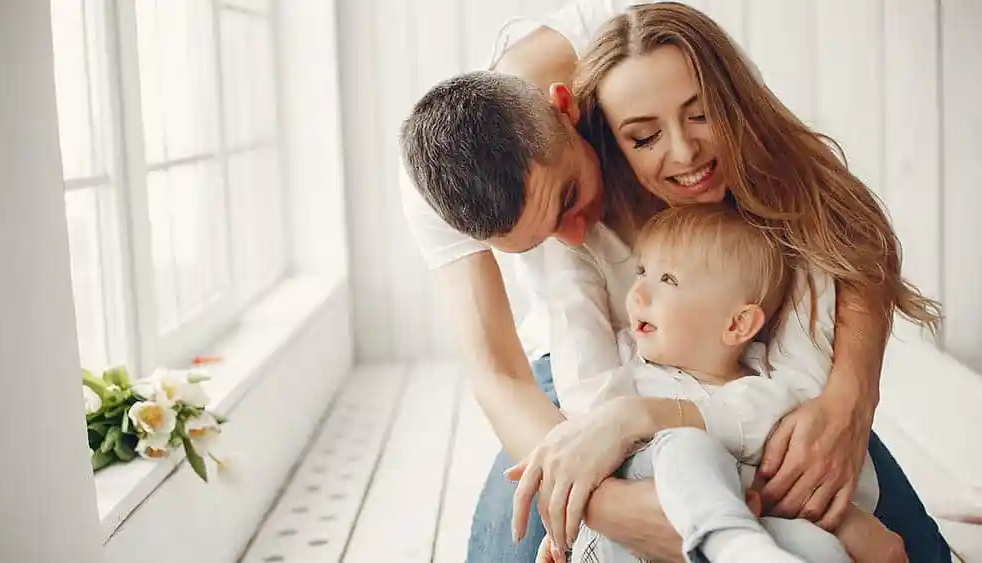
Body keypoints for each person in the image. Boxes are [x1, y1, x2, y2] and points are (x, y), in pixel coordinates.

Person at [398, 2, 949, 562]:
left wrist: (848, 398)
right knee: (510, 549)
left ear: (567, 109)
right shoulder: (437, 176)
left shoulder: (657, 60)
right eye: (538, 242)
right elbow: (499, 374)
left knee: (901, 545)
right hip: (586, 370)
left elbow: (838, 225)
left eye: (567, 198)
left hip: (730, 360)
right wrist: (606, 505)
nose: (572, 237)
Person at [534, 204, 890, 563]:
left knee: (821, 549)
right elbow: (585, 441)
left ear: (738, 325)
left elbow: (816, 311)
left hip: (751, 532)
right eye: (642, 271)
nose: (637, 293)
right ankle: (732, 545)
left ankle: (740, 546)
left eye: (668, 280)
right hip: (635, 539)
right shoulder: (625, 375)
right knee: (685, 446)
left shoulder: (769, 393)